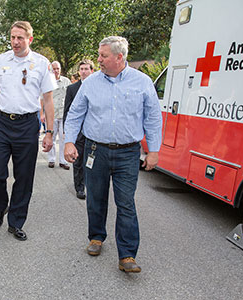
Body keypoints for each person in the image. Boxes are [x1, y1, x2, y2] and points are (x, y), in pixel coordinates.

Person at [64, 36, 162, 273]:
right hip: (95, 150)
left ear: (120, 57)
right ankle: (96, 237)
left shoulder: (142, 82)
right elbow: (75, 113)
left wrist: (154, 151)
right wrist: (69, 141)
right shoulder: (91, 83)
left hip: (128, 153)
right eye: (98, 55)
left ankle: (127, 255)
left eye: (103, 56)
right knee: (96, 198)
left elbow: (153, 117)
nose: (99, 60)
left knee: (126, 202)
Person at [0, 21, 57, 241]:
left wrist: (49, 132)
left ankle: (16, 222)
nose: (15, 42)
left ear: (29, 39)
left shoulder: (41, 64)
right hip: (3, 123)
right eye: (12, 37)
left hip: (27, 126)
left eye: (20, 38)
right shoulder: (1, 60)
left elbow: (48, 101)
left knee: (24, 178)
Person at [62, 59, 95, 200]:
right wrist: (67, 131)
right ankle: (79, 187)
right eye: (81, 69)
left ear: (92, 71)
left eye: (87, 69)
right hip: (78, 133)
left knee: (92, 162)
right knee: (78, 161)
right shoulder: (72, 89)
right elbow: (67, 111)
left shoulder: (97, 87)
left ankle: (92, 185)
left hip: (94, 132)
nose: (84, 71)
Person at [44, 61, 71, 170]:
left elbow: (70, 96)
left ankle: (62, 161)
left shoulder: (66, 81)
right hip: (52, 115)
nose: (55, 71)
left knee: (63, 138)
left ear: (60, 69)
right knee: (52, 137)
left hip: (64, 114)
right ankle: (51, 159)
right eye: (53, 69)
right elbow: (43, 99)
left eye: (57, 69)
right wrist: (42, 113)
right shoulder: (47, 82)